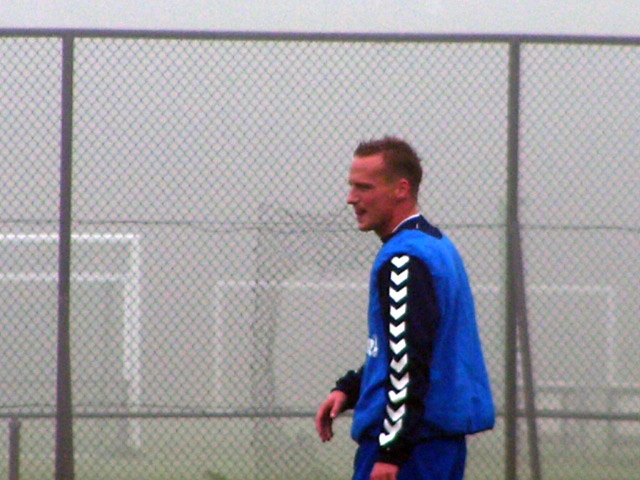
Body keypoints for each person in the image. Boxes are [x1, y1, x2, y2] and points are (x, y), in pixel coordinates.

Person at [315, 137, 495, 480]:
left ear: (401, 189)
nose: (352, 198)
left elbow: (409, 363)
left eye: (364, 187)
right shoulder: (435, 245)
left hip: (411, 450)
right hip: (433, 445)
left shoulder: (405, 259)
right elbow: (406, 349)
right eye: (351, 186)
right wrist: (351, 388)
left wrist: (391, 453)